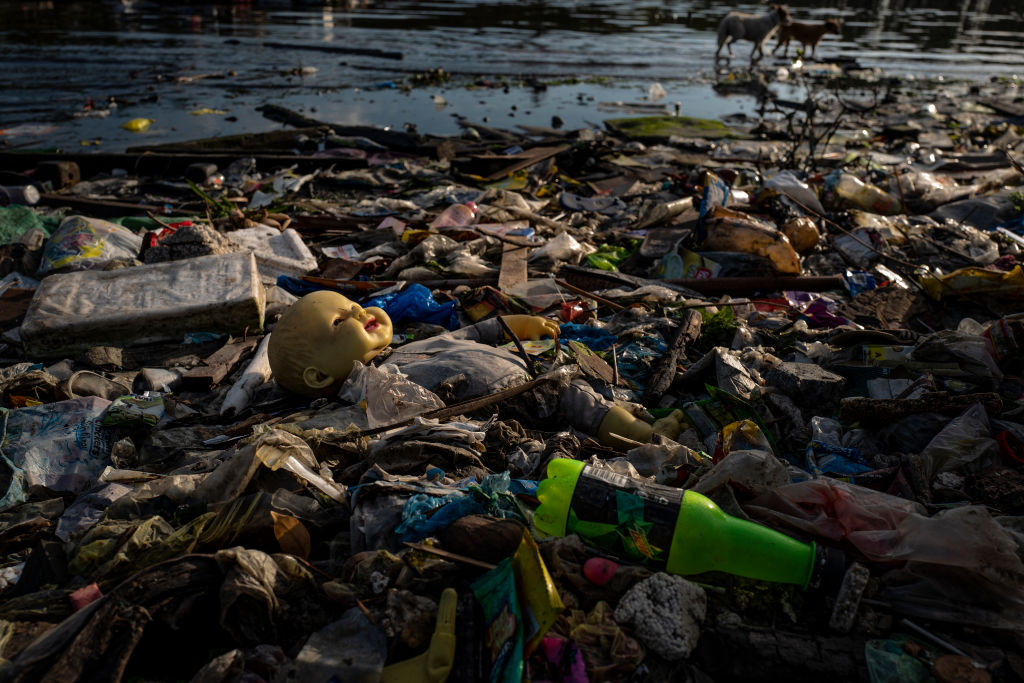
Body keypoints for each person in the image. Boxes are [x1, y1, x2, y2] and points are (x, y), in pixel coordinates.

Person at [267, 290, 684, 447]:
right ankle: (647, 437)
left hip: (526, 366)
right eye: (341, 323)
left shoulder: (411, 347)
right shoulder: (369, 396)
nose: (361, 312)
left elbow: (475, 334)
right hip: (517, 398)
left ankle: (639, 419)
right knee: (578, 404)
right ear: (319, 377)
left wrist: (520, 325)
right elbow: (341, 427)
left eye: (353, 305)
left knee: (583, 391)